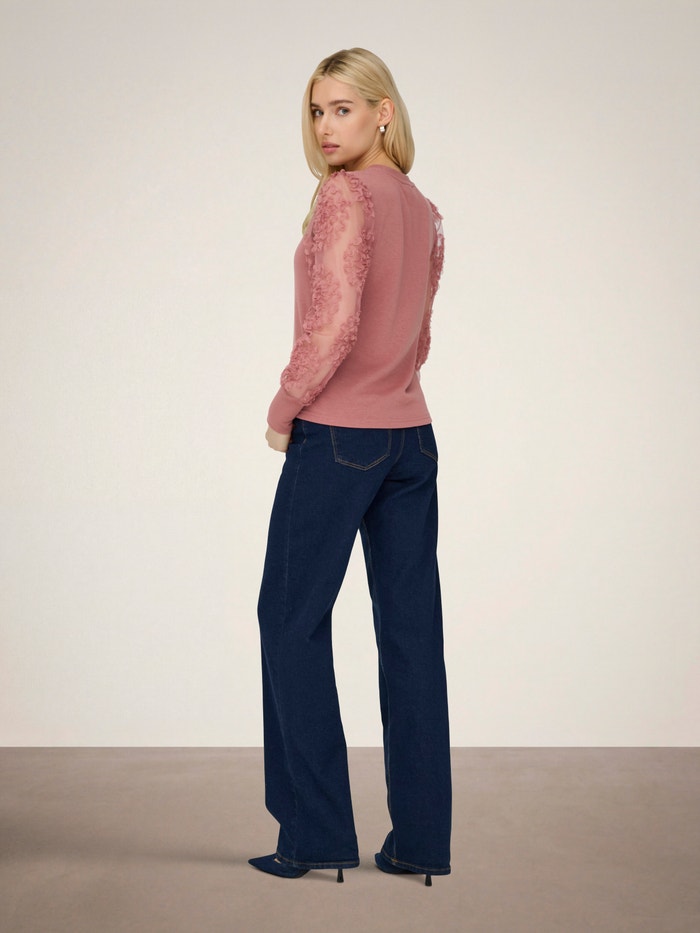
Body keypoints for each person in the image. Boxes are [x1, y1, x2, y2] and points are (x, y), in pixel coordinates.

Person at [249, 48, 451, 886]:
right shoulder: (424, 208)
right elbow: (419, 336)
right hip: (411, 437)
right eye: (316, 111)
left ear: (383, 113)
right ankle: (420, 843)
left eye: (342, 108)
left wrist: (283, 407)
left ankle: (317, 833)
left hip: (337, 435)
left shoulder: (345, 197)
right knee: (412, 636)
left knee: (289, 619)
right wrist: (391, 388)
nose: (326, 127)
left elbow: (330, 328)